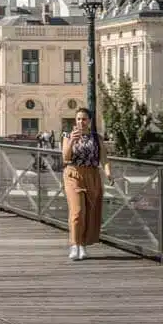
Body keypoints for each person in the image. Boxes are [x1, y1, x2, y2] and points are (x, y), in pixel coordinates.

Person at [61, 107, 112, 260]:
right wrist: (71, 141)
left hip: (92, 175)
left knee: (89, 212)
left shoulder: (97, 138)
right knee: (77, 212)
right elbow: (65, 157)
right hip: (73, 174)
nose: (81, 122)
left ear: (89, 121)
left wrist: (108, 172)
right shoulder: (67, 135)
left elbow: (104, 158)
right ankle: (74, 245)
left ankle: (83, 244)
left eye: (84, 119)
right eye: (78, 119)